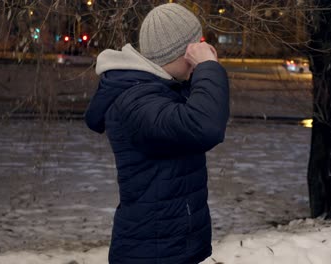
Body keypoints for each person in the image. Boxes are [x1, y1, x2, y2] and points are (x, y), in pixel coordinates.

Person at [84, 3, 229, 264]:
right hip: (150, 252)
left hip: (168, 246)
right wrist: (208, 67)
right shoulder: (136, 102)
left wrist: (200, 72)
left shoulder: (163, 90)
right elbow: (206, 126)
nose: (202, 50)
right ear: (185, 51)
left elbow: (205, 112)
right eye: (198, 44)